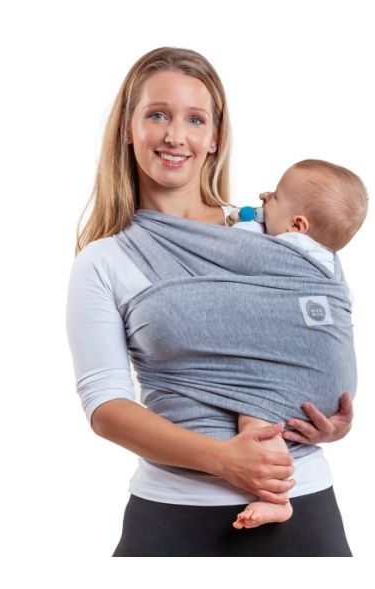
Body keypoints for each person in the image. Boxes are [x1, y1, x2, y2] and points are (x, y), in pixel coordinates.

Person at [66, 47, 354, 556]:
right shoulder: (105, 260)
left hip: (304, 506)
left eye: (195, 119)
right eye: (158, 115)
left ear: (215, 136)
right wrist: (223, 459)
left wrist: (328, 416)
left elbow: (318, 329)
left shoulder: (275, 235)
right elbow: (106, 407)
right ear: (127, 128)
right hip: (173, 518)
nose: (175, 136)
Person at [226, 159, 367, 529]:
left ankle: (277, 498)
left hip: (301, 378)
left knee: (256, 417)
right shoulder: (330, 263)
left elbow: (236, 248)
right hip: (336, 386)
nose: (264, 198)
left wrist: (242, 219)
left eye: (273, 197)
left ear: (298, 226)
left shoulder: (282, 248)